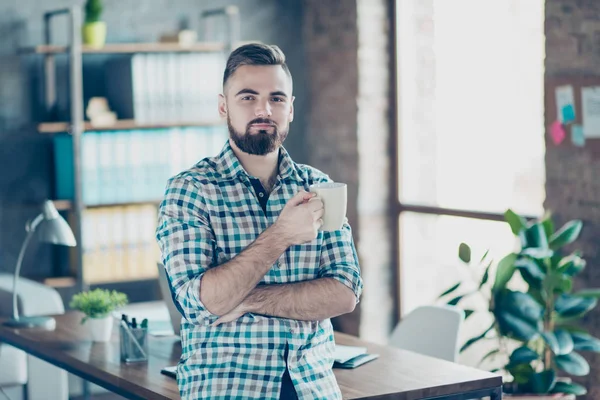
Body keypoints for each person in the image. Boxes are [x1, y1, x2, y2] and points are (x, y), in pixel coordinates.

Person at [156, 43, 363, 400]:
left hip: (313, 388)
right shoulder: (190, 191)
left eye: (276, 99)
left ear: (291, 109)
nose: (264, 110)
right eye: (248, 98)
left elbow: (345, 293)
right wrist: (281, 234)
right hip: (228, 388)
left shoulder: (320, 189)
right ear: (224, 106)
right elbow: (200, 303)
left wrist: (249, 301)